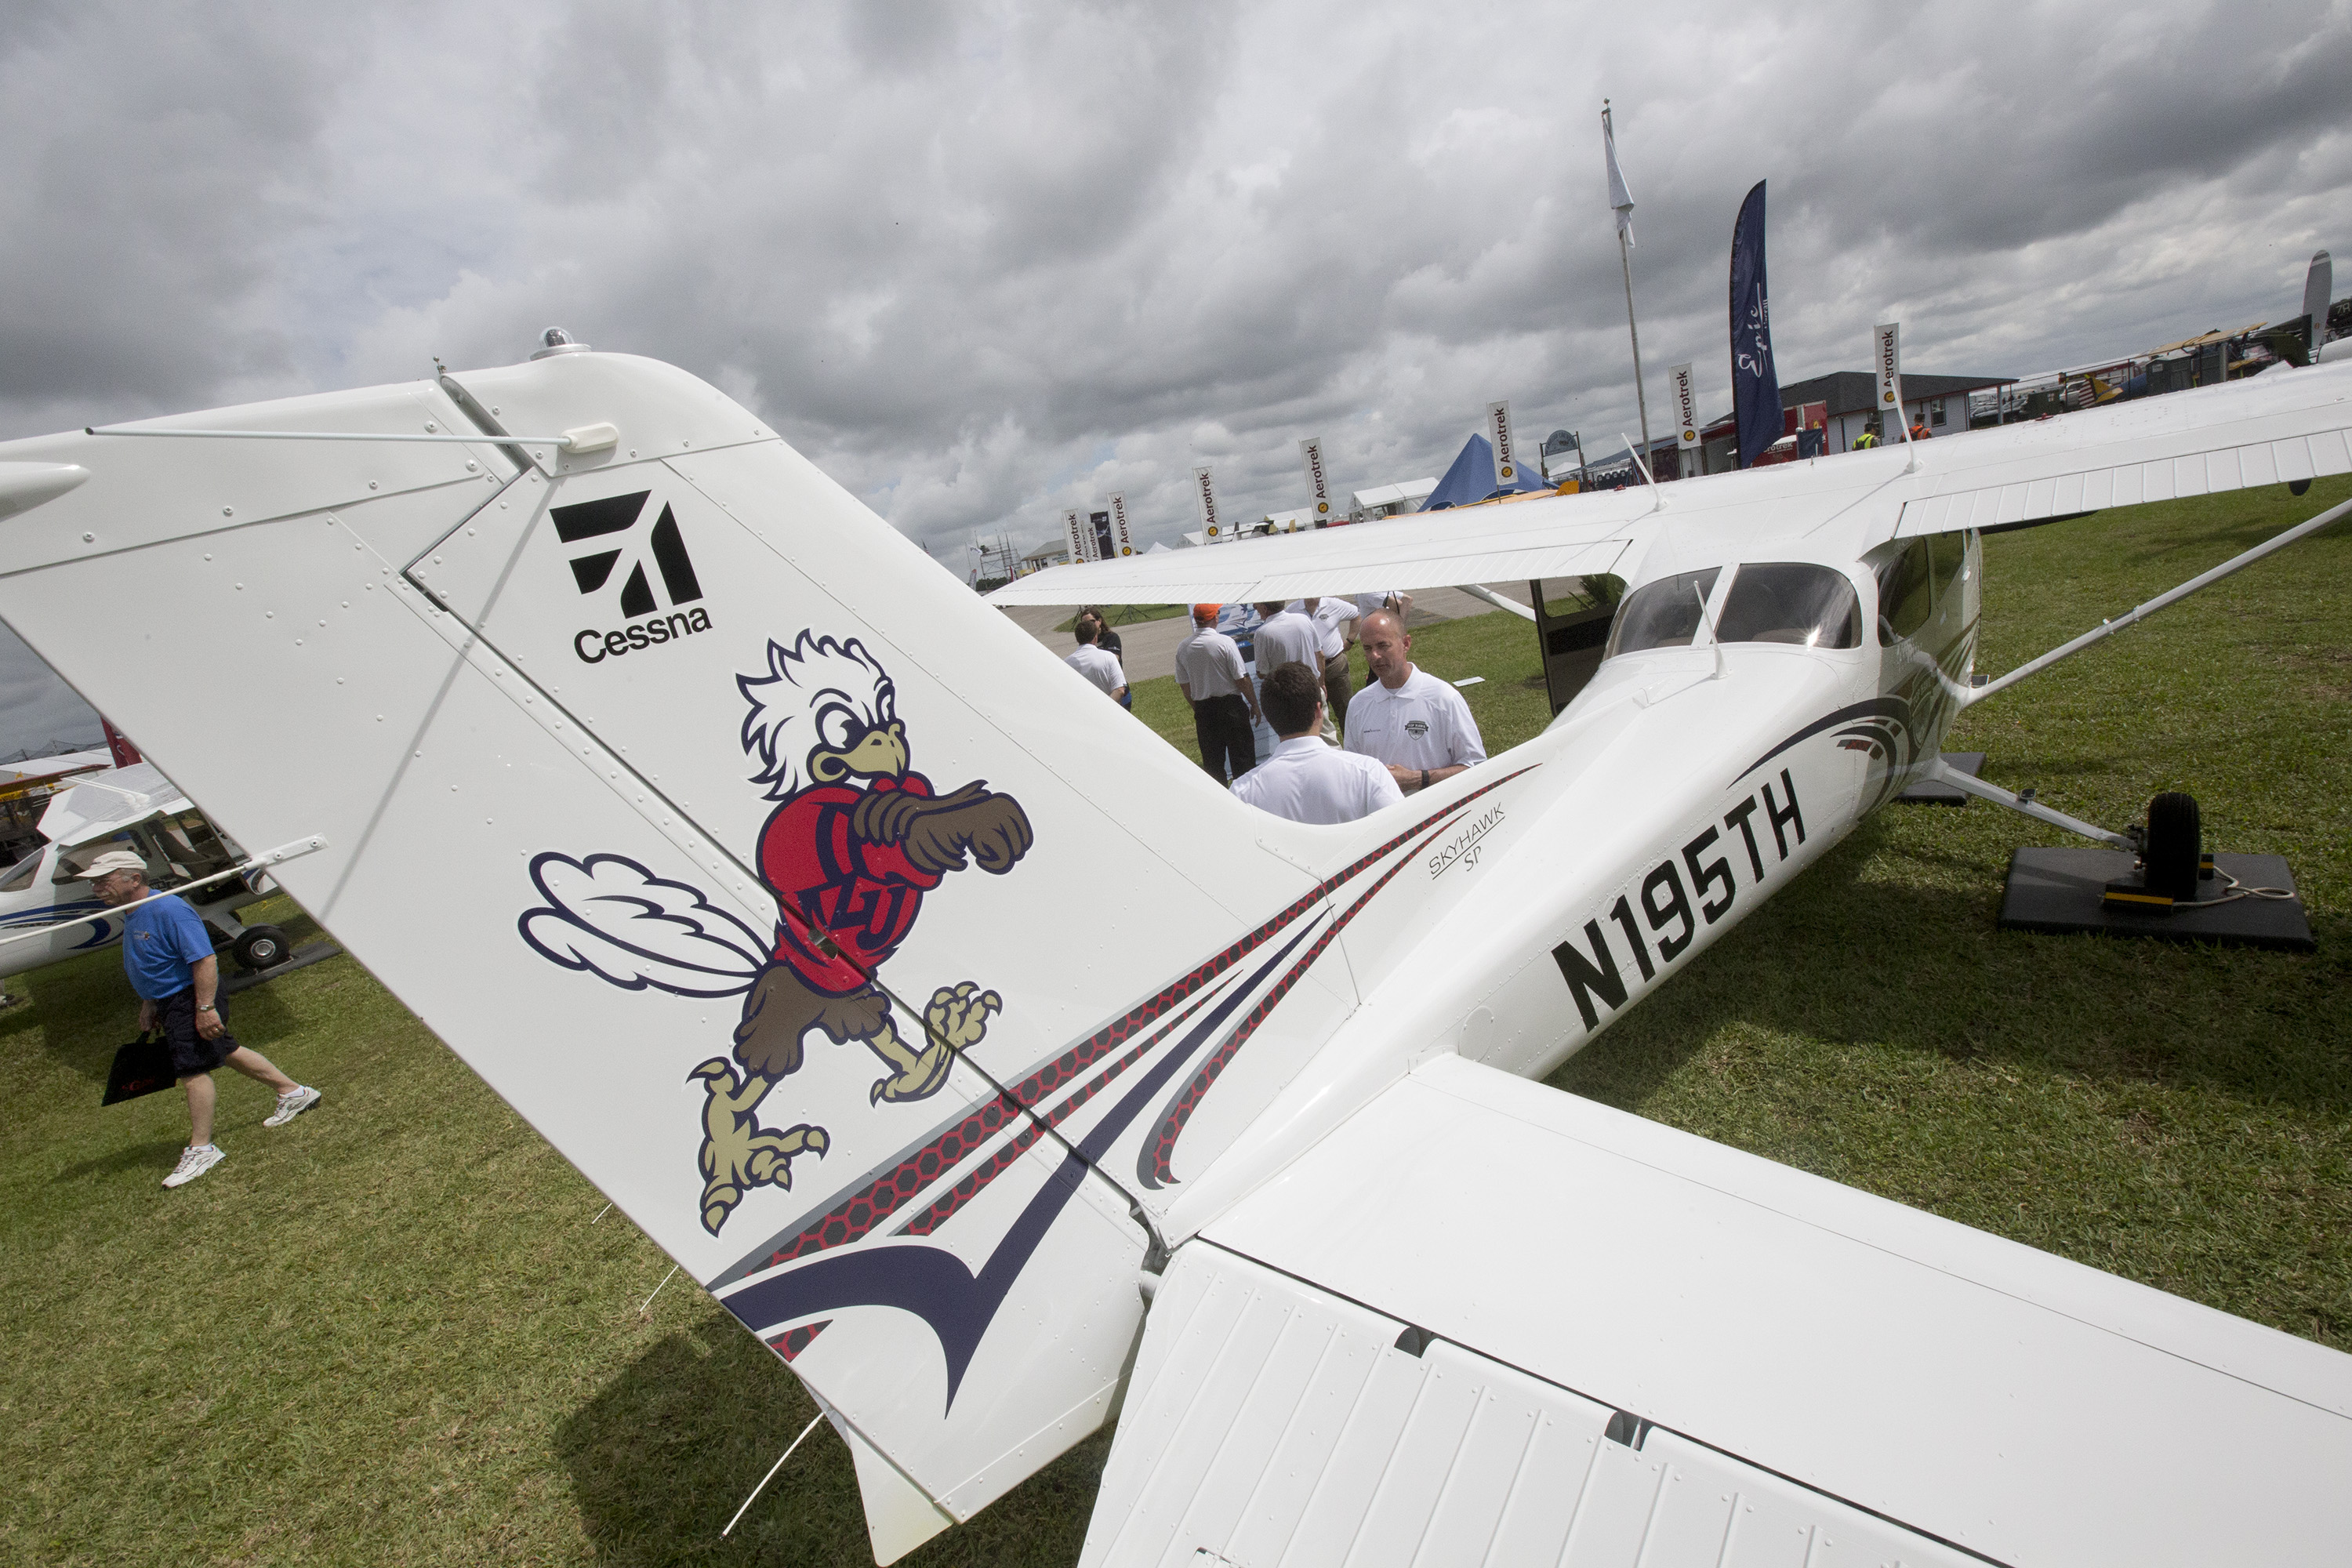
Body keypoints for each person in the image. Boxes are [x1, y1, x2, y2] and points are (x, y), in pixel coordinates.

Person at [85, 849, 320, 1188]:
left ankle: (202, 1149)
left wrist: (204, 1008)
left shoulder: (167, 909)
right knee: (225, 1049)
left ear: (134, 879)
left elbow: (205, 960)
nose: (96, 888)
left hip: (189, 997)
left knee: (192, 1070)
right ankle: (294, 1092)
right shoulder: (132, 911)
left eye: (102, 881)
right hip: (169, 999)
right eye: (94, 883)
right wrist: (149, 1002)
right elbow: (153, 962)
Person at [1231, 666, 1401, 825]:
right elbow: (1404, 833)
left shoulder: (1242, 793)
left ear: (1269, 716)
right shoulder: (1368, 773)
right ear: (1319, 711)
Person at [1345, 609, 1487, 795]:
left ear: (1406, 643)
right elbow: (1353, 772)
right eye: (1367, 648)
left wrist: (1418, 779)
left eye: (1383, 646)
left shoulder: (1443, 699)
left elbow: (1477, 768)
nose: (1375, 656)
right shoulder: (1358, 705)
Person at [1174, 603, 1261, 783]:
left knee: (1213, 765)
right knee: (1243, 761)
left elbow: (1184, 685)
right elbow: (1241, 678)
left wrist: (1197, 706)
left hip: (1205, 710)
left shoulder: (1183, 647)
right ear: (1215, 618)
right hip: (1231, 707)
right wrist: (1254, 702)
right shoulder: (1225, 642)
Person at [1303, 596, 1359, 740]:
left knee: (1346, 712)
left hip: (1335, 666)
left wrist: (1350, 640)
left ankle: (1353, 749)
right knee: (1316, 716)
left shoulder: (1332, 604)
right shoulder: (1294, 611)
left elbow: (1356, 615)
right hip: (1311, 671)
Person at [1065, 617, 1128, 705]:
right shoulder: (1109, 657)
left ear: (1077, 639)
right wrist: (1104, 707)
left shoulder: (1067, 663)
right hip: (1106, 714)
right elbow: (1120, 690)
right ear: (1095, 637)